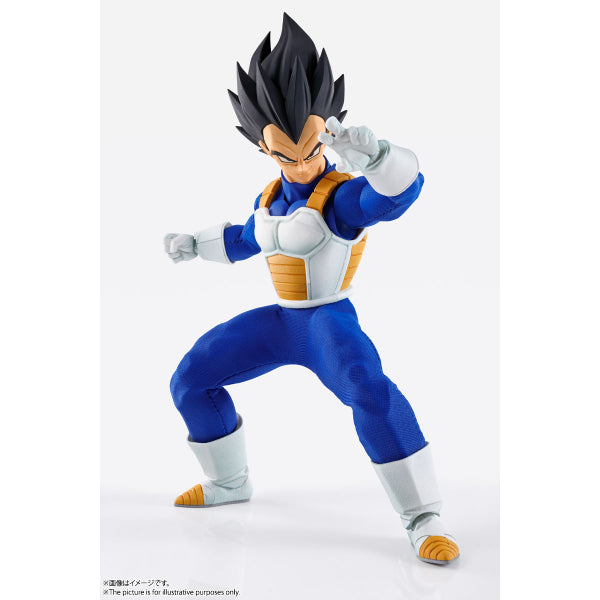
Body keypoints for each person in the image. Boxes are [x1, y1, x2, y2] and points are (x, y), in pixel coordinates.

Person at [164, 13, 459, 565]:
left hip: (328, 321)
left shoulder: (341, 196)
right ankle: (229, 481)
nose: (301, 165)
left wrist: (379, 159)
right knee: (191, 377)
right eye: (286, 155)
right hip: (281, 322)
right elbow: (243, 239)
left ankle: (423, 516)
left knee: (368, 389)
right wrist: (193, 244)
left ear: (326, 134)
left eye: (310, 150)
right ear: (263, 148)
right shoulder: (268, 198)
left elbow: (396, 196)